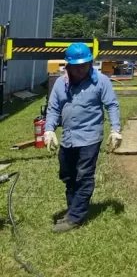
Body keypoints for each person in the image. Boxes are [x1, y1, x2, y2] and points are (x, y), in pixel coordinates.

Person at [44, 43, 122, 233]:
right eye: (76, 66)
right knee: (68, 175)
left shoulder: (101, 82)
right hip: (68, 138)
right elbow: (54, 109)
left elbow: (111, 105)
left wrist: (115, 129)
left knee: (84, 176)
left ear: (90, 63)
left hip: (89, 138)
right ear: (67, 65)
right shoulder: (60, 84)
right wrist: (49, 130)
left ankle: (74, 218)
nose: (81, 69)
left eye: (85, 65)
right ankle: (72, 210)